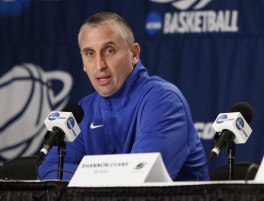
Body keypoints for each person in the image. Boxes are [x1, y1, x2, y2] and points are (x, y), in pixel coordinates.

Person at [38, 12, 209, 181]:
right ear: (83, 62)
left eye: (109, 51)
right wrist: (107, 176)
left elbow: (141, 179)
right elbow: (48, 171)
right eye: (90, 53)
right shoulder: (84, 110)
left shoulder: (164, 101)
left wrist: (90, 176)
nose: (99, 65)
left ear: (134, 54)